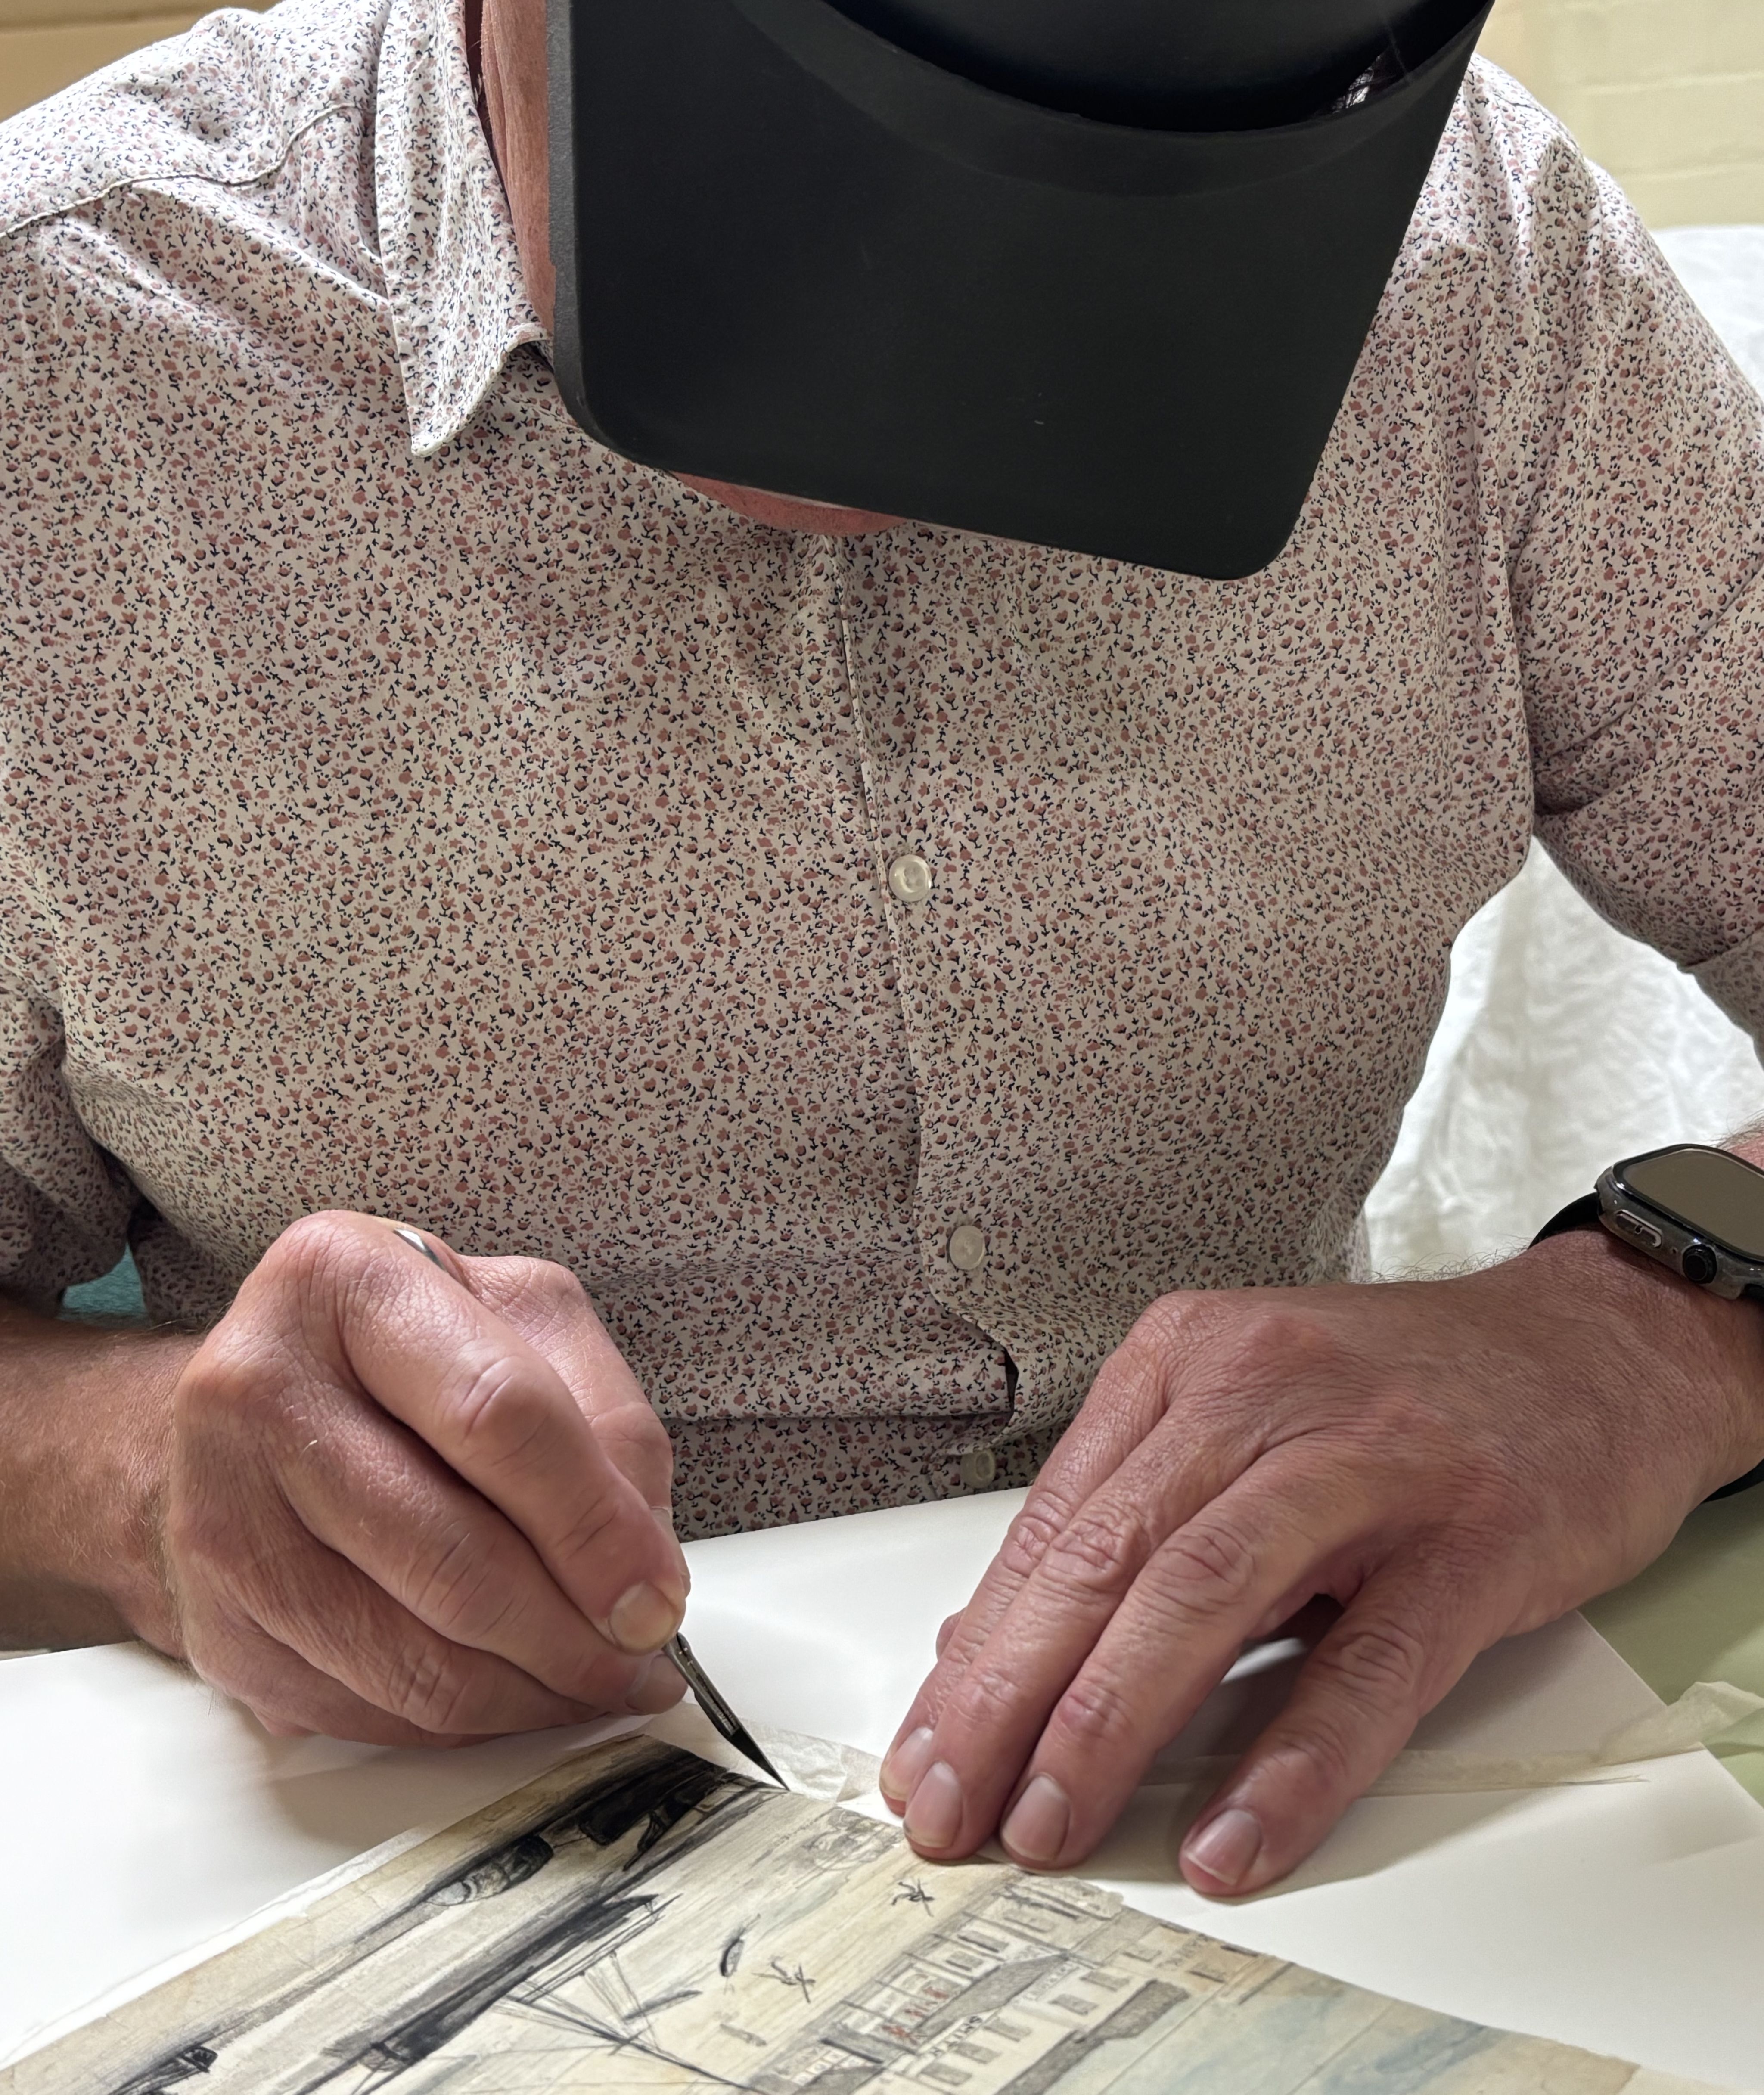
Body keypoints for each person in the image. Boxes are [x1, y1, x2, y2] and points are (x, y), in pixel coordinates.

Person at [2, 0, 1761, 1900]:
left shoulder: (1474, 266)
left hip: (1304, 1788)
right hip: (397, 1830)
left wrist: (1656, 1326)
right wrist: (131, 1475)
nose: (929, 365)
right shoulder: (68, 355)